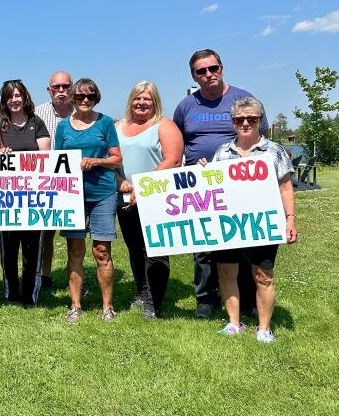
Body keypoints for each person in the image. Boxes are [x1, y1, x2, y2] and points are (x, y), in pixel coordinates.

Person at [173, 49, 269, 319]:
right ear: (194, 75)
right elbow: (177, 142)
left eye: (212, 68)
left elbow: (261, 138)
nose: (208, 74)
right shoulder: (186, 106)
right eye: (201, 71)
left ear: (222, 68)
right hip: (200, 184)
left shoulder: (242, 98)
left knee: (245, 240)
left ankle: (249, 298)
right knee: (203, 244)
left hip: (241, 182)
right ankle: (206, 298)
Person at [200, 96, 296, 342]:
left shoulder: (273, 151)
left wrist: (290, 219)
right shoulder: (222, 151)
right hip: (228, 224)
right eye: (239, 119)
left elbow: (286, 188)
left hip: (263, 223)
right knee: (226, 271)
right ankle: (234, 323)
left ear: (260, 121)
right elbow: (213, 187)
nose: (245, 123)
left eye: (251, 118)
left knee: (263, 274)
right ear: (233, 122)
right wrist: (204, 172)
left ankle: (263, 328)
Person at [54, 78, 122, 322]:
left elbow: (116, 158)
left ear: (96, 98)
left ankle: (107, 306)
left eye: (90, 96)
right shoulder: (63, 127)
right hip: (72, 195)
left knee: (101, 251)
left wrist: (97, 161)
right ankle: (75, 305)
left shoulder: (105, 123)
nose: (85, 100)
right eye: (80, 96)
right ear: (72, 98)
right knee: (75, 249)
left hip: (102, 193)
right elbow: (56, 161)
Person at [115, 81, 183, 318]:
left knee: (156, 250)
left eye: (148, 99)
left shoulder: (164, 125)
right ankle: (142, 292)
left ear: (155, 102)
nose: (142, 103)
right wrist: (118, 180)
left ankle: (154, 302)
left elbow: (172, 159)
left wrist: (143, 188)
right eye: (137, 98)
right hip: (124, 198)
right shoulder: (117, 126)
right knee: (134, 248)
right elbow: (109, 158)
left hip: (156, 197)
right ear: (130, 100)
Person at [0, 80, 51, 306]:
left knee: (32, 248)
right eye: (9, 97)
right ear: (4, 101)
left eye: (17, 96)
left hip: (33, 198)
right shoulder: (1, 127)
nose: (14, 100)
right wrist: (1, 152)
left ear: (25, 97)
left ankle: (30, 293)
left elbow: (46, 155)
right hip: (6, 199)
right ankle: (11, 292)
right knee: (8, 249)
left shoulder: (37, 123)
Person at [34, 71, 73, 290]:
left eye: (65, 86)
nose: (61, 91)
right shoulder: (37, 113)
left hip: (74, 182)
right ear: (49, 90)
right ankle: (45, 275)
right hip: (45, 183)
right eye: (56, 87)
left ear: (72, 87)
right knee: (45, 232)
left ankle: (74, 277)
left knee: (74, 235)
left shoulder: (83, 112)